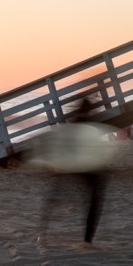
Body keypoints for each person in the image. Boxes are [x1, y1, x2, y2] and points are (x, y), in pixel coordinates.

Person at [34, 97, 111, 248]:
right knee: (94, 203)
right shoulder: (91, 126)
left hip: (68, 165)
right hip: (87, 167)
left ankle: (42, 234)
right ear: (90, 110)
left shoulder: (71, 124)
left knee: (54, 196)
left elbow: (54, 141)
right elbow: (96, 149)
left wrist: (52, 162)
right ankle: (87, 241)